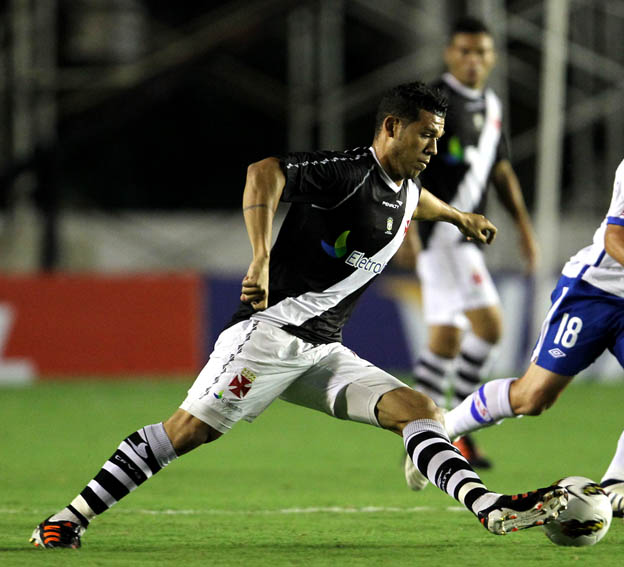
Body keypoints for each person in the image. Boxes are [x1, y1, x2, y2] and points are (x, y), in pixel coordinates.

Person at [29, 82, 569, 549]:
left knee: (419, 410)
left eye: (438, 136)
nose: (434, 146)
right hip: (267, 336)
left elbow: (419, 202)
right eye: (426, 134)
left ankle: (490, 508)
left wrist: (459, 218)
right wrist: (260, 256)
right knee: (186, 431)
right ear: (391, 127)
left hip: (321, 350)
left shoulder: (406, 189)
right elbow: (263, 172)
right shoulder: (348, 173)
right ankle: (66, 520)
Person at [405, 69, 624, 517]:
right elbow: (615, 238)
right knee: (532, 398)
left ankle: (616, 486)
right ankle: (440, 431)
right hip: (594, 291)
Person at [398, 17, 538, 471]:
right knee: (490, 328)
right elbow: (405, 165)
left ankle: (421, 436)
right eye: (464, 51)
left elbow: (500, 169)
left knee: (445, 338)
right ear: (449, 54)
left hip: (463, 236)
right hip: (442, 233)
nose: (473, 60)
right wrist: (405, 228)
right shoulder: (432, 103)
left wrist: (524, 228)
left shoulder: (491, 105)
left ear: (492, 57)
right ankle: (457, 432)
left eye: (481, 52)